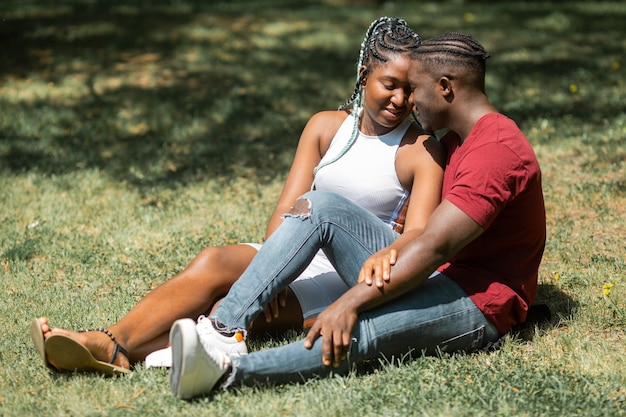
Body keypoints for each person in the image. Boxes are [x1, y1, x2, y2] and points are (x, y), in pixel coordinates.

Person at [31, 17, 445, 375]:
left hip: (340, 277)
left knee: (224, 302)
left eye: (410, 90)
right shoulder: (324, 127)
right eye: (388, 84)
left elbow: (420, 236)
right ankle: (113, 339)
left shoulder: (420, 149)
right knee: (212, 262)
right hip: (291, 248)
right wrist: (276, 265)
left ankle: (110, 347)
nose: (399, 99)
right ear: (362, 75)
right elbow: (288, 207)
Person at [168, 31, 546, 400]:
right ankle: (225, 329)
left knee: (359, 331)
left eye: (415, 88)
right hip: (426, 271)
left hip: (478, 300)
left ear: (445, 87)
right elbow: (428, 237)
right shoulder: (455, 141)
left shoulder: (497, 150)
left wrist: (347, 303)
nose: (409, 101)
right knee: (322, 205)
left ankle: (223, 373)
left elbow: (435, 245)